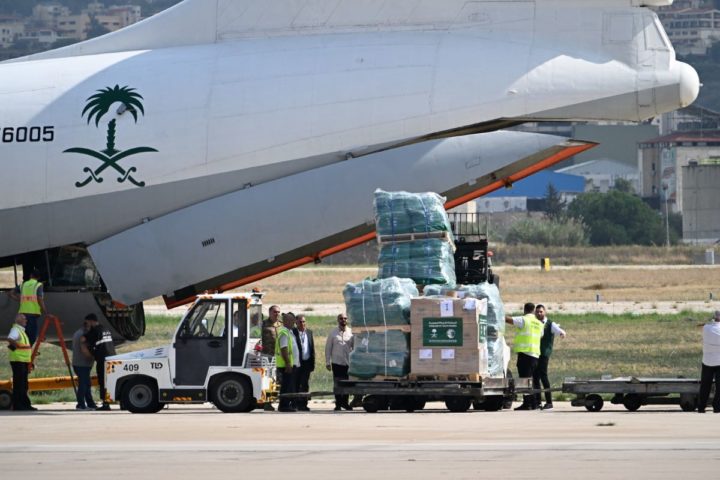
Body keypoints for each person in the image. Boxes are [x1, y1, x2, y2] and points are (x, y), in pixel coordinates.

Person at [505, 302, 544, 410]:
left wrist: (498, 315)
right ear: (533, 310)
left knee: (525, 380)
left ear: (525, 310)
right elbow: (540, 336)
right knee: (534, 380)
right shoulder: (539, 324)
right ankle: (536, 403)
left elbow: (508, 320)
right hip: (536, 355)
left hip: (525, 355)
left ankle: (528, 404)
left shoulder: (524, 320)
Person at [533, 304, 566, 410]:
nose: (539, 313)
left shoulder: (549, 324)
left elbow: (560, 331)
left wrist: (562, 333)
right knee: (535, 378)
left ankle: (549, 402)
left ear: (545, 312)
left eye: (541, 312)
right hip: (535, 353)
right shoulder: (534, 323)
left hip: (544, 354)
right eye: (537, 312)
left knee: (543, 376)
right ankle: (538, 402)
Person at [83, 313, 116, 411]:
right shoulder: (105, 329)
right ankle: (119, 402)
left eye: (87, 322)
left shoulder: (94, 331)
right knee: (111, 380)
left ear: (91, 321)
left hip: (103, 359)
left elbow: (83, 339)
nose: (86, 324)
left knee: (102, 381)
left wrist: (86, 331)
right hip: (112, 358)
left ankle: (106, 404)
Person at [8, 268, 47, 346]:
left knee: (21, 334)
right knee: (31, 336)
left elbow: (10, 293)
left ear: (31, 275)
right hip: (32, 314)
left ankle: (15, 349)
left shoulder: (23, 284)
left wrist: (20, 299)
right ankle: (26, 350)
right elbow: (39, 299)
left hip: (22, 314)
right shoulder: (38, 285)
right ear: (39, 278)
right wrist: (45, 311)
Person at [6, 313, 36, 411]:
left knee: (23, 385)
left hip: (22, 360)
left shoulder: (21, 331)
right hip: (18, 360)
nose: (26, 321)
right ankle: (19, 405)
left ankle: (25, 405)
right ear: (18, 320)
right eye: (24, 319)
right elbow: (10, 338)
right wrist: (17, 346)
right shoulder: (16, 329)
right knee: (19, 385)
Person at [325, 313, 354, 411]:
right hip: (336, 363)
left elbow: (354, 348)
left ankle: (345, 403)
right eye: (341, 319)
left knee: (346, 384)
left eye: (345, 318)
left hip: (347, 363)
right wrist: (327, 362)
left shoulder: (351, 332)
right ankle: (338, 404)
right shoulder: (333, 333)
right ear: (338, 320)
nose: (343, 320)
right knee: (337, 383)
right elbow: (328, 348)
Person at [275, 312, 299, 412]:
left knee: (289, 385)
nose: (294, 323)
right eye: (292, 321)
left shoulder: (289, 332)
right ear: (287, 321)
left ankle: (286, 404)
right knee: (286, 386)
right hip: (285, 365)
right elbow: (283, 348)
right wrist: (288, 363)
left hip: (290, 364)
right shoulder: (284, 332)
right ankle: (283, 405)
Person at [698, 310, 720, 413]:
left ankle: (701, 406)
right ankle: (717, 406)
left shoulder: (706, 328)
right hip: (719, 361)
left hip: (707, 361)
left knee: (705, 385)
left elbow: (706, 325)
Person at [71, 319, 96, 410]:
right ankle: (81, 404)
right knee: (83, 384)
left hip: (80, 363)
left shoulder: (78, 333)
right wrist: (93, 356)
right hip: (82, 364)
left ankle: (90, 403)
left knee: (86, 383)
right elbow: (84, 349)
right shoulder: (83, 335)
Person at [292, 314, 315, 411]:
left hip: (307, 363)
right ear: (296, 323)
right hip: (297, 363)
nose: (302, 324)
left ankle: (304, 404)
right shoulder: (293, 332)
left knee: (305, 384)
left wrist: (312, 363)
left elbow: (311, 348)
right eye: (300, 322)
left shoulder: (309, 332)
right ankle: (295, 404)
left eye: (304, 321)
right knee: (296, 384)